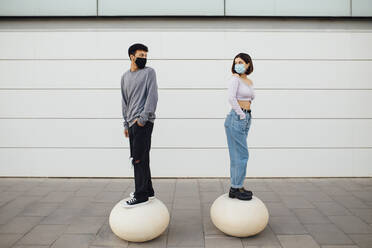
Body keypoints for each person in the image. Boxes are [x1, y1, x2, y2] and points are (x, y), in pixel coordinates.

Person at [120, 43, 158, 208]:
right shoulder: (124, 77)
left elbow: (153, 97)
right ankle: (148, 191)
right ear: (131, 56)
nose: (144, 58)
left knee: (138, 159)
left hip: (143, 122)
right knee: (142, 158)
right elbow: (124, 101)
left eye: (145, 56)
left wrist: (142, 119)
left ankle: (140, 194)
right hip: (132, 123)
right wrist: (126, 124)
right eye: (140, 55)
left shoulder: (149, 72)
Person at [224, 53, 256, 201]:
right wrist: (241, 115)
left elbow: (249, 98)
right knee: (241, 155)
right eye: (236, 62)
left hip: (246, 117)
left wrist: (246, 116)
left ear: (248, 64)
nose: (238, 64)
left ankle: (237, 186)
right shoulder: (235, 79)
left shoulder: (248, 81)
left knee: (238, 155)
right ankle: (235, 187)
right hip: (237, 118)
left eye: (241, 62)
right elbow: (231, 98)